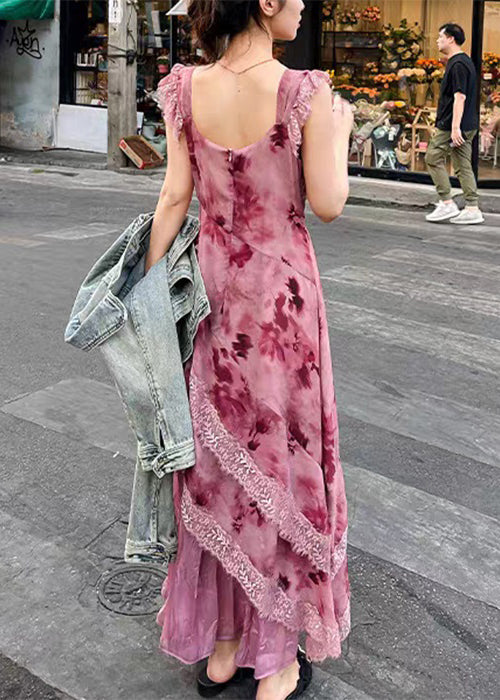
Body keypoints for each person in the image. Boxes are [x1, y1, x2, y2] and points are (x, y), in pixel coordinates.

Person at [146, 2, 352, 699]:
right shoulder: (304, 92)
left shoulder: (183, 87)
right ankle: (278, 663)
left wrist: (151, 306)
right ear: (265, 2)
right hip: (281, 306)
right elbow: (329, 202)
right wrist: (340, 132)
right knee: (282, 467)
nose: (302, 4)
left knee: (219, 467)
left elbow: (174, 197)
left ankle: (225, 649)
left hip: (212, 296)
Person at [425, 23, 484, 224]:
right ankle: (472, 207)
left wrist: (455, 128)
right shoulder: (463, 62)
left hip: (453, 124)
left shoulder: (458, 64)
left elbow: (460, 97)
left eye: (440, 37)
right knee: (462, 165)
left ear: (451, 39)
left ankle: (447, 202)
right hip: (466, 124)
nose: (437, 40)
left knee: (432, 157)